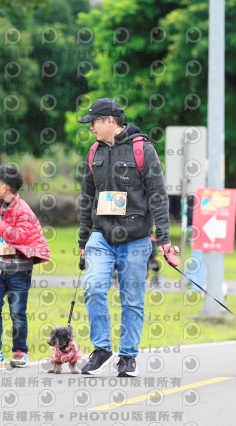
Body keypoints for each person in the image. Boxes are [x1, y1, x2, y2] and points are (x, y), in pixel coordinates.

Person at [77, 98, 171, 377]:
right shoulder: (94, 152)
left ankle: (128, 357)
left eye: (94, 122)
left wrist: (163, 238)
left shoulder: (143, 150)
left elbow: (158, 195)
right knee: (93, 286)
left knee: (132, 299)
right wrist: (83, 240)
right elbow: (87, 198)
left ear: (110, 121)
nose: (91, 127)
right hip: (101, 235)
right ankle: (102, 349)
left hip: (136, 237)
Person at [0, 164, 50, 369]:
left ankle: (20, 352)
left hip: (20, 270)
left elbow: (19, 237)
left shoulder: (23, 211)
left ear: (5, 188)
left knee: (17, 312)